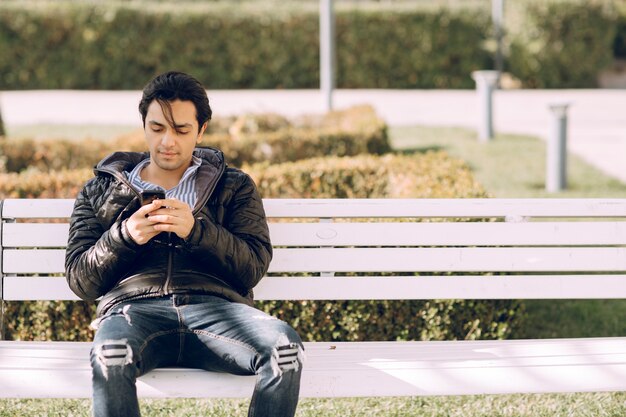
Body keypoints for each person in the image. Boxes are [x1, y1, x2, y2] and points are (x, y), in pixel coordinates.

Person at [65, 71, 304, 417]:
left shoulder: (233, 186)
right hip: (135, 312)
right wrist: (124, 236)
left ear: (201, 130)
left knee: (285, 350)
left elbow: (252, 266)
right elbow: (80, 279)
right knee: (111, 353)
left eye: (181, 130)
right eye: (157, 128)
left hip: (219, 313)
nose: (167, 142)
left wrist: (198, 231)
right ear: (144, 124)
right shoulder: (102, 190)